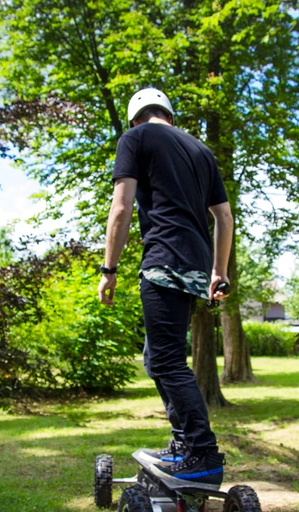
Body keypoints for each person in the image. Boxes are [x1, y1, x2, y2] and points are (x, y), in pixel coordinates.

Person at [97, 87, 233, 490]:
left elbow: (121, 208)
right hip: (194, 265)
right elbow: (224, 216)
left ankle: (203, 454)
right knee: (157, 357)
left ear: (136, 117)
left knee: (168, 360)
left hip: (163, 259)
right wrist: (218, 271)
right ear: (169, 116)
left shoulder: (135, 138)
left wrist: (109, 269)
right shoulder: (202, 152)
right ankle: (182, 443)